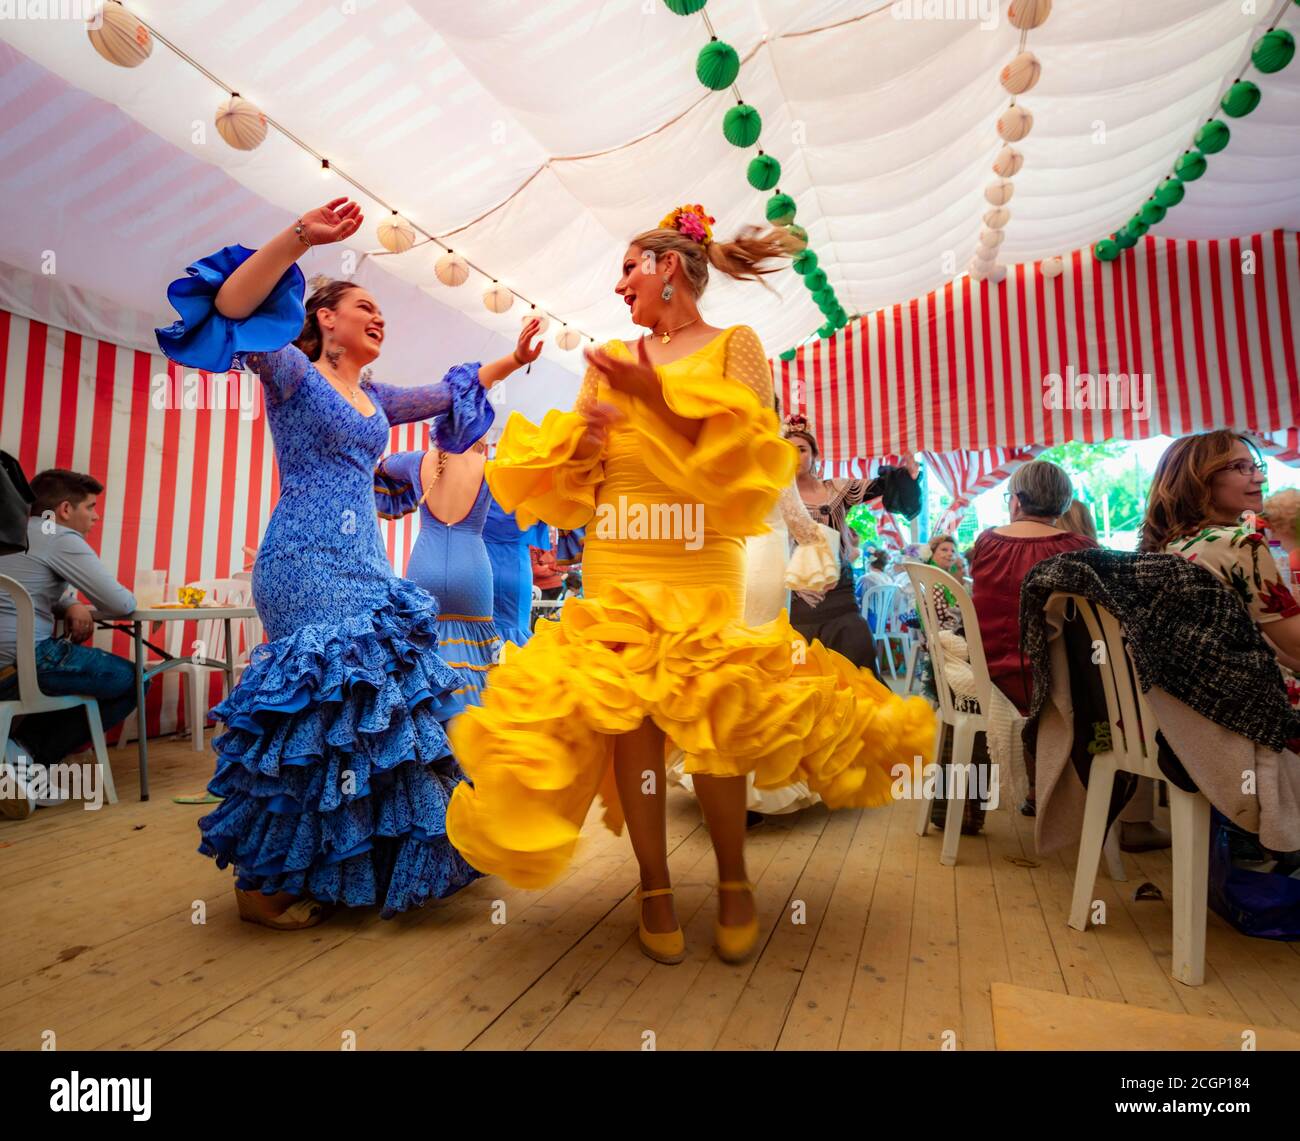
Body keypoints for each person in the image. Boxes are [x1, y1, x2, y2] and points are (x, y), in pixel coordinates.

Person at [446, 204, 934, 966]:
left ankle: (736, 879)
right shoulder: (612, 353)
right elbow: (577, 485)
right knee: (630, 722)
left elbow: (740, 467)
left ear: (668, 267)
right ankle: (654, 884)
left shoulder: (738, 347)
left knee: (717, 721)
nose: (618, 286)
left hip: (700, 560)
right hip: (619, 558)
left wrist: (649, 398)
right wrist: (589, 445)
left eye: (629, 268)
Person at [154, 197, 540, 928]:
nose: (380, 318)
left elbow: (448, 392)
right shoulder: (292, 373)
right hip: (302, 558)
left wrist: (513, 361)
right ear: (324, 318)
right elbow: (233, 302)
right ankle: (261, 884)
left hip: (363, 562)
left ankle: (347, 867)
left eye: (381, 313)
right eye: (365, 306)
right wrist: (303, 236)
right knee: (318, 707)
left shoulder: (374, 398)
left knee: (370, 710)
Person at [0, 469, 139, 819]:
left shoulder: (11, 532)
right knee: (133, 680)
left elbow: (29, 582)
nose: (95, 515)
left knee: (80, 674)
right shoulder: (58, 537)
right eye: (90, 507)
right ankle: (23, 753)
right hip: (21, 663)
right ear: (64, 509)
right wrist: (76, 599)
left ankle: (25, 765)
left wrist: (70, 601)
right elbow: (122, 604)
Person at [966, 461, 1100, 820]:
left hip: (989, 675)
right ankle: (1071, 792)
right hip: (1052, 684)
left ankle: (1021, 789)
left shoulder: (987, 541)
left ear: (1016, 501)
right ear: (1063, 503)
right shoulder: (1080, 546)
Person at [375, 432, 513, 713]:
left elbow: (382, 466)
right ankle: (468, 735)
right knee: (478, 651)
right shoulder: (490, 467)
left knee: (419, 645)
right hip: (472, 568)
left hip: (426, 564)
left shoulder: (420, 461)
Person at [1144, 432, 1300, 674]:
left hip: (1202, 700)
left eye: (1256, 467)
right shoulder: (1241, 543)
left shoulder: (1170, 545)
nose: (1260, 478)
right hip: (1260, 701)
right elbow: (1296, 642)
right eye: (1240, 467)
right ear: (1199, 479)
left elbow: (1258, 639)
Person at [786, 415, 921, 676]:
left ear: (814, 455)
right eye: (787, 450)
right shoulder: (774, 496)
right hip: (794, 600)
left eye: (801, 449)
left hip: (839, 596)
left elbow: (879, 487)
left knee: (858, 662)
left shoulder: (836, 489)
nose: (794, 456)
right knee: (800, 674)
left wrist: (906, 475)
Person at [483, 492, 547, 647]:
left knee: (482, 633)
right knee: (516, 631)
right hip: (517, 566)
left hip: (483, 564)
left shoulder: (481, 488)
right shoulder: (528, 486)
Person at [530, 536, 563, 601]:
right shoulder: (533, 546)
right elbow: (535, 570)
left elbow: (564, 566)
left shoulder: (556, 544)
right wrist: (555, 570)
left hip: (549, 586)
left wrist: (547, 566)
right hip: (543, 587)